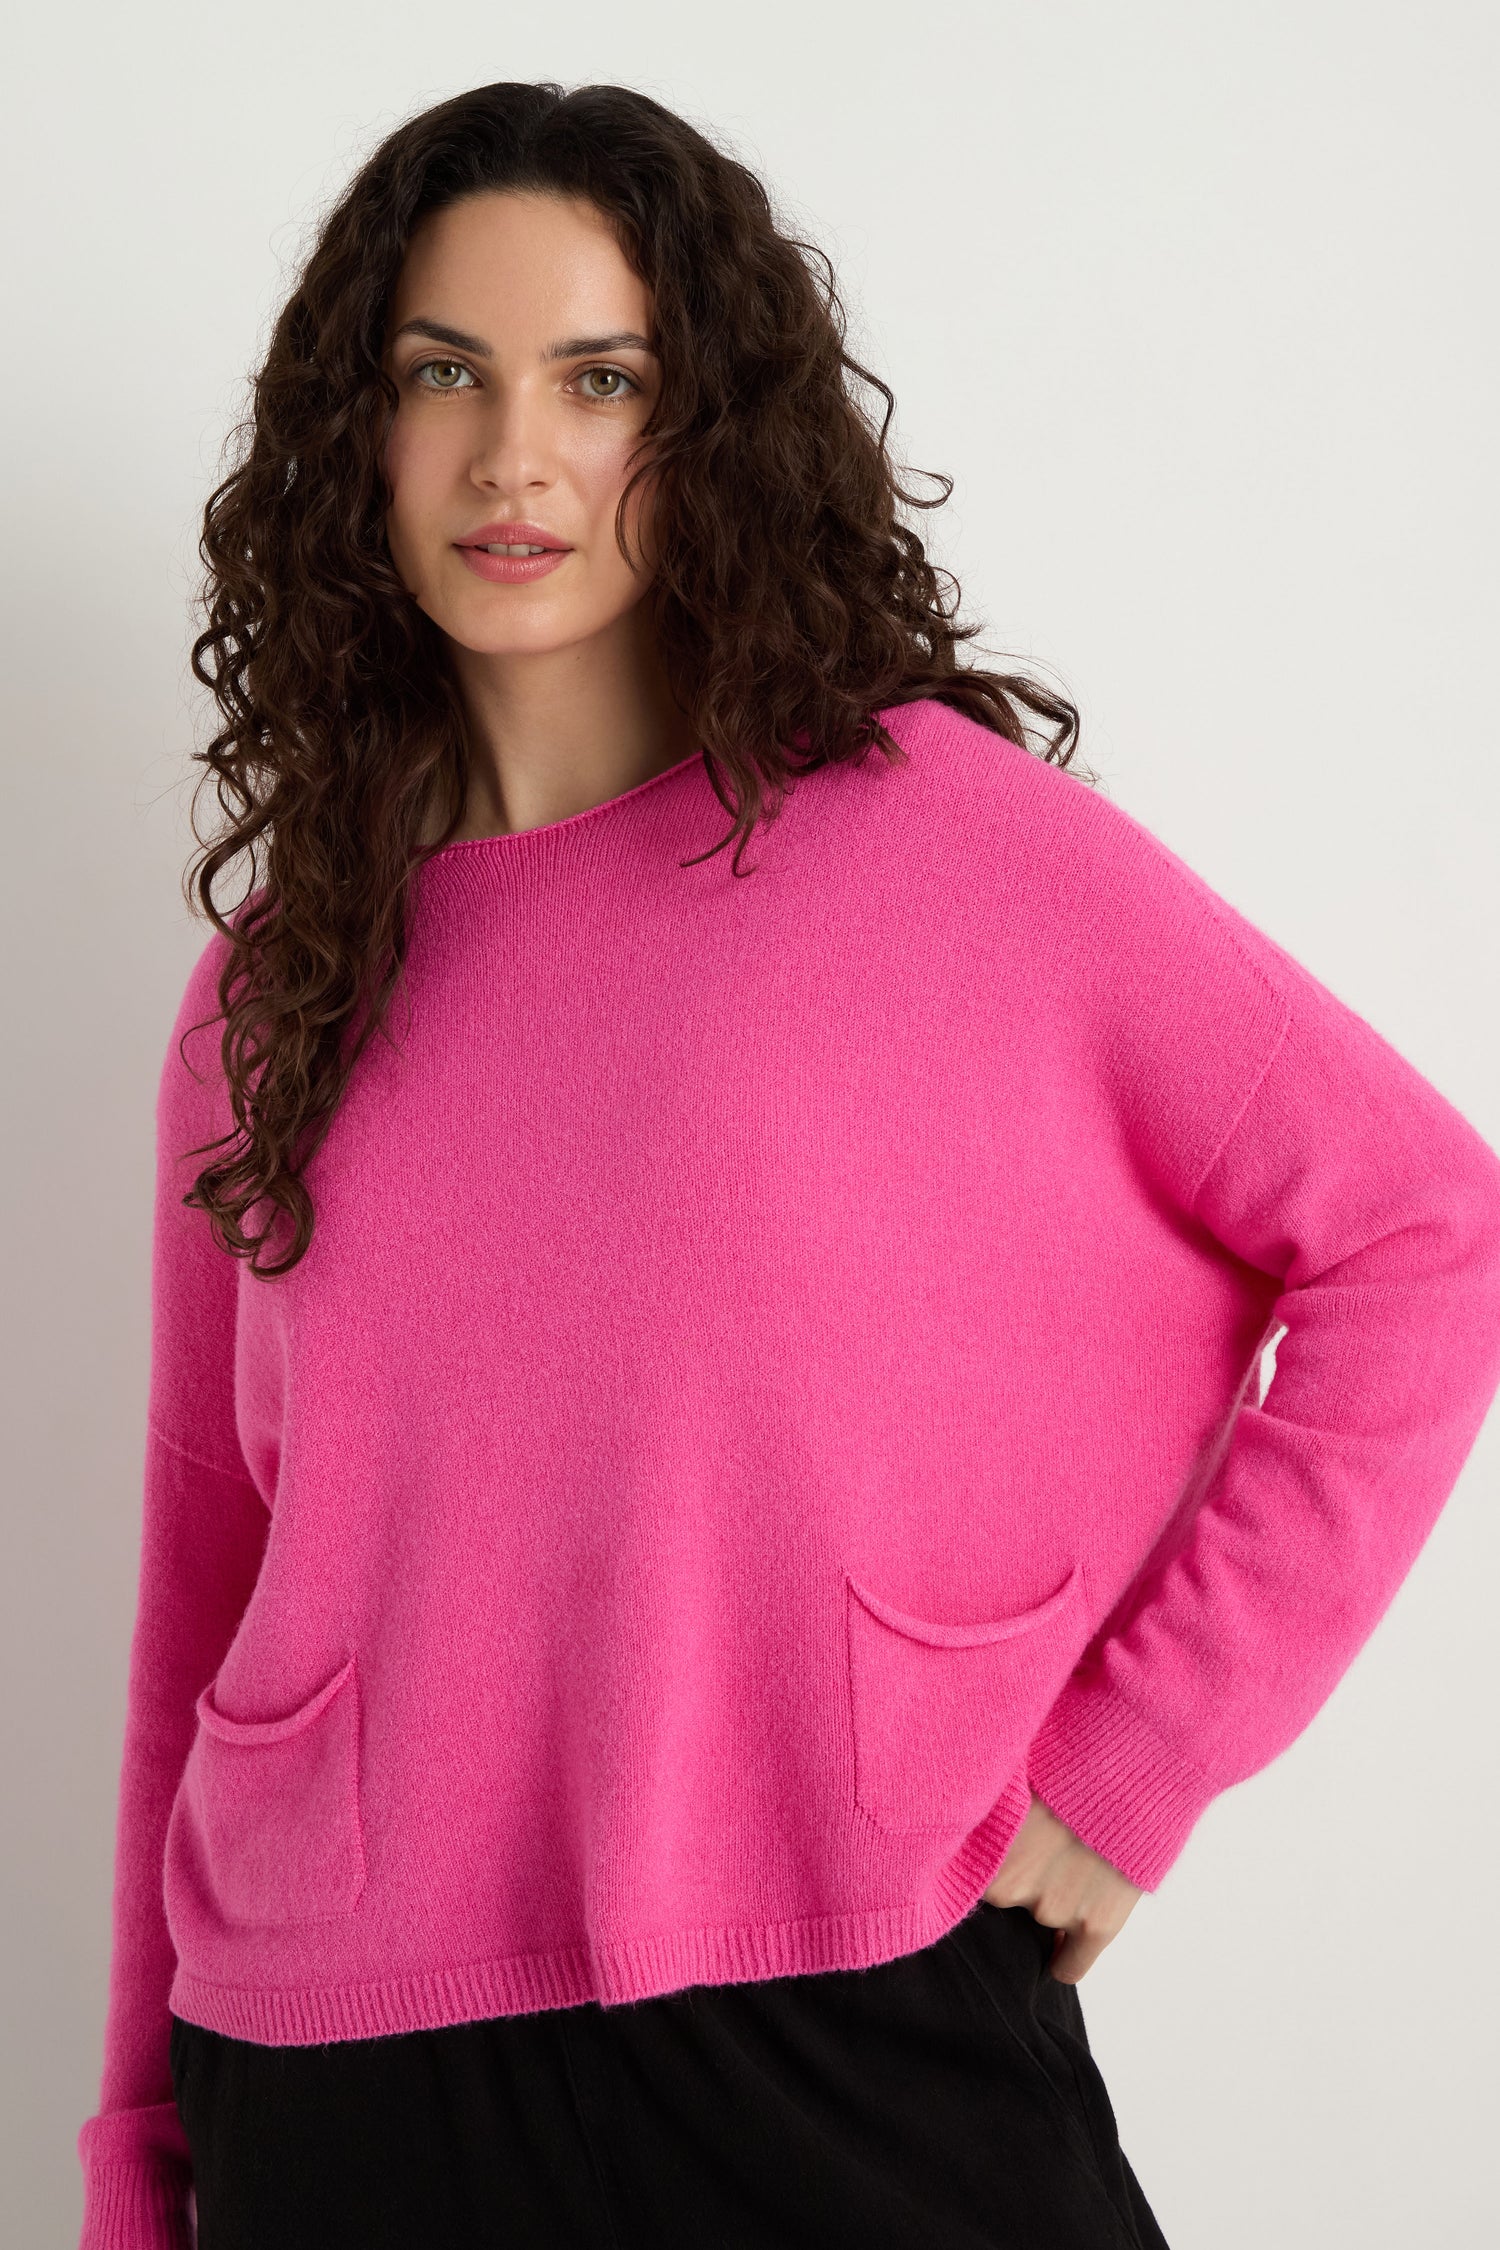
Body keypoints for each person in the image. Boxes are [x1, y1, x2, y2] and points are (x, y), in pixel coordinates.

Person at [75, 78, 1500, 2250]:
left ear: (706, 421)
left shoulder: (933, 841)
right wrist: (128, 2147)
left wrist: (1134, 1770)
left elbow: (1427, 1234)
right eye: (439, 374)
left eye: (599, 378)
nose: (511, 456)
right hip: (338, 2087)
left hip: (840, 2031)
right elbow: (203, 1592)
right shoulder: (267, 995)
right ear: (352, 437)